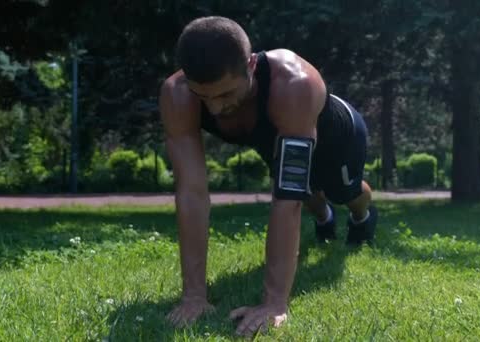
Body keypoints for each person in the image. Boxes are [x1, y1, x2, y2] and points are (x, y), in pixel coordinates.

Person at [159, 16, 378, 336]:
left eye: (224, 94)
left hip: (338, 138)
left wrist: (274, 302)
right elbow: (191, 192)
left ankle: (362, 216)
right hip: (275, 135)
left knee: (341, 191)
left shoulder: (294, 85)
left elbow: (287, 198)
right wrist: (194, 296)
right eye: (205, 98)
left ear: (249, 65)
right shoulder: (177, 95)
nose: (216, 109)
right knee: (306, 191)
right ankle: (324, 219)